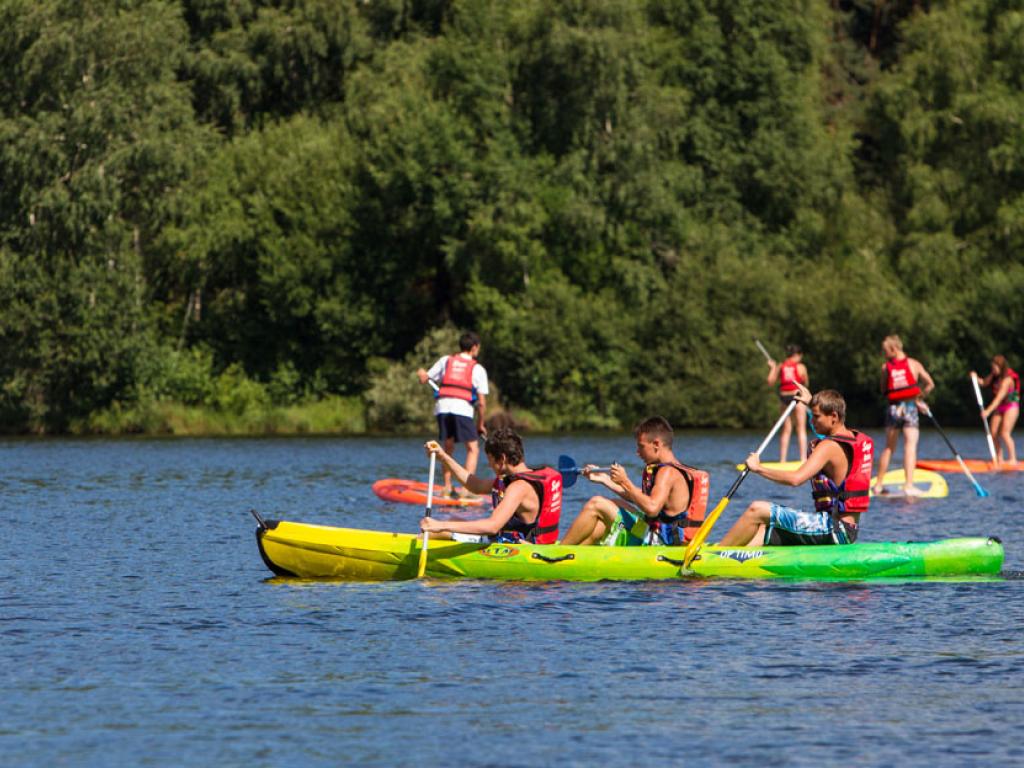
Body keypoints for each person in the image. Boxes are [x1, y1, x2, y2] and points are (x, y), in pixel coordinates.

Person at [719, 385, 873, 547]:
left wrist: (758, 468)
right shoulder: (850, 438)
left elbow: (795, 479)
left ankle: (715, 557)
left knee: (756, 509)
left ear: (833, 416)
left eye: (816, 416)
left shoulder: (829, 446)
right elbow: (825, 430)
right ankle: (732, 558)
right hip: (845, 529)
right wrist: (810, 403)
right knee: (763, 529)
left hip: (833, 529)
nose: (812, 422)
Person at [559, 416, 710, 547]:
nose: (637, 452)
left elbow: (651, 508)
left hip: (660, 541)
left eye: (641, 446)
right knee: (609, 510)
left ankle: (557, 554)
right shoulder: (672, 469)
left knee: (596, 503)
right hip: (658, 533)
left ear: (656, 444)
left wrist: (625, 481)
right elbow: (642, 499)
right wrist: (605, 480)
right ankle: (578, 554)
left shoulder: (667, 472)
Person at [419, 427, 562, 544]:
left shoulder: (518, 487)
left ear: (502, 459)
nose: (489, 465)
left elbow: (492, 526)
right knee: (453, 520)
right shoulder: (514, 480)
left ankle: (412, 545)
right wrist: (443, 457)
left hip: (522, 548)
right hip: (512, 540)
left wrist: (439, 525)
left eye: (491, 460)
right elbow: (475, 485)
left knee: (440, 530)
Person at [417, 332, 489, 497]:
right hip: (462, 410)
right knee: (473, 448)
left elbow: (424, 378)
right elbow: (482, 403)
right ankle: (467, 489)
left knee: (447, 448)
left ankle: (447, 487)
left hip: (443, 408)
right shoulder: (478, 369)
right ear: (474, 348)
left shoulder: (446, 360)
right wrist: (480, 424)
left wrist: (422, 373)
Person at [872, 334, 935, 496]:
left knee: (888, 447)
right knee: (910, 447)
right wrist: (920, 398)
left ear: (893, 349)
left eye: (885, 351)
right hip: (910, 408)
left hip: (894, 409)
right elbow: (930, 384)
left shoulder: (886, 368)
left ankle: (878, 485)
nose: (884, 354)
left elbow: (883, 389)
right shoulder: (914, 364)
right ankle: (908, 485)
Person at [766, 344, 810, 462]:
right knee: (801, 428)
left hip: (784, 397)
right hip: (797, 397)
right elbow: (805, 382)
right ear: (797, 355)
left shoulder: (781, 366)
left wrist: (773, 367)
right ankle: (802, 459)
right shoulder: (801, 367)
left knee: (786, 429)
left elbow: (770, 382)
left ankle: (782, 460)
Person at [973, 355, 1020, 465]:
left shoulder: (1008, 379)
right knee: (993, 432)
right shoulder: (995, 375)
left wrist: (988, 411)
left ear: (1001, 367)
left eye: (995, 368)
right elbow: (984, 382)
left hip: (1011, 406)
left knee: (1004, 433)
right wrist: (975, 378)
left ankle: (1013, 459)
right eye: (992, 368)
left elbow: (999, 397)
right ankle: (999, 458)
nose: (993, 371)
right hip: (1000, 406)